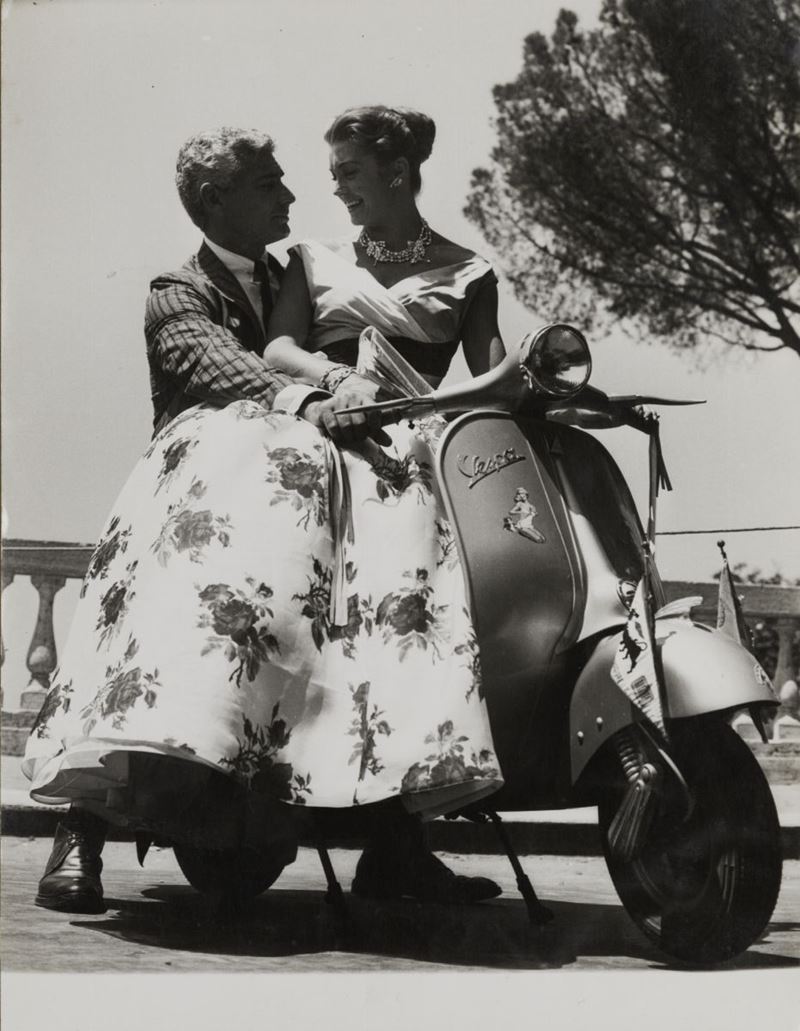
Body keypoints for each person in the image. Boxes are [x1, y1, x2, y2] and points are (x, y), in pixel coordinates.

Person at [26, 123, 502, 913]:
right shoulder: (177, 289)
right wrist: (318, 391)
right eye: (268, 183)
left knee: (379, 608)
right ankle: (80, 830)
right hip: (206, 482)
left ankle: (396, 840)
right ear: (215, 201)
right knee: (161, 623)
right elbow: (222, 364)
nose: (290, 194)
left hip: (303, 492)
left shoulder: (305, 270)